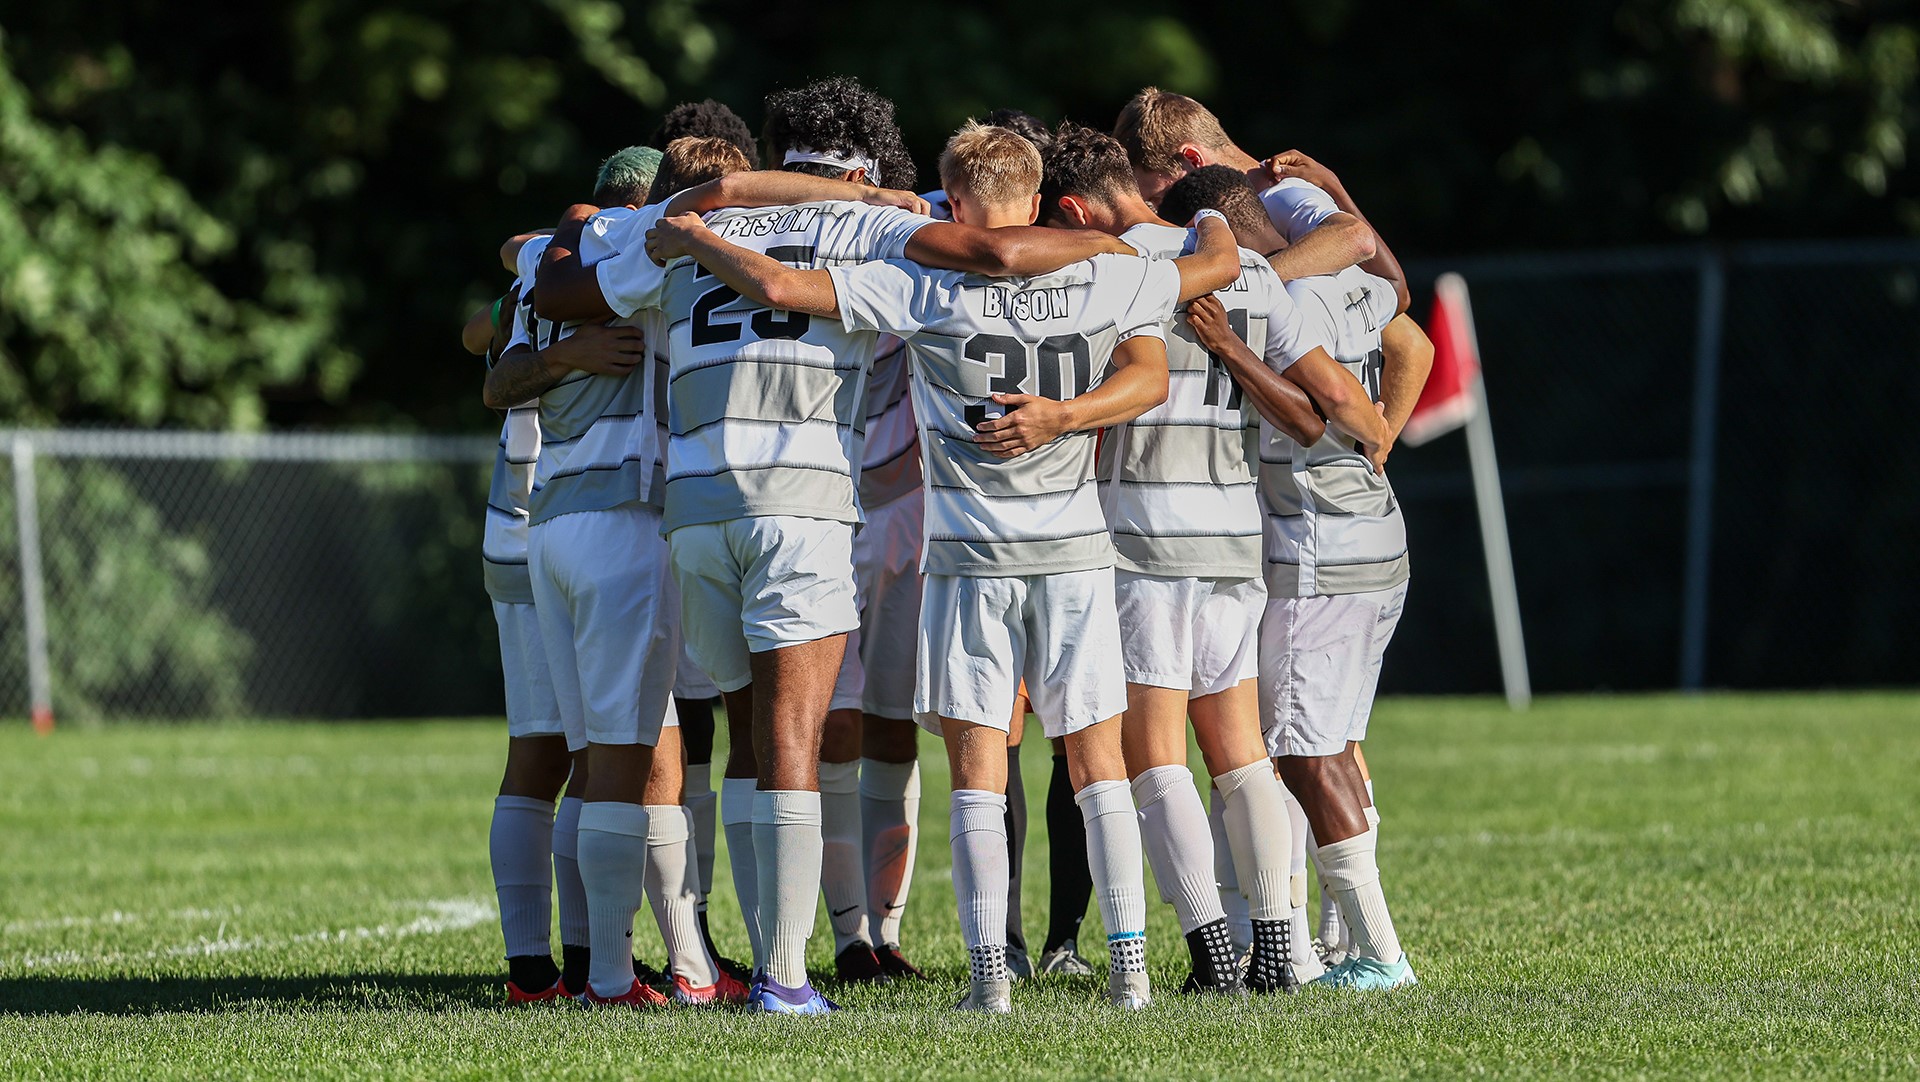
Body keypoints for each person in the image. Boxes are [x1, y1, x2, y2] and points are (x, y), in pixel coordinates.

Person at [531, 77, 1139, 1015]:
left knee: (735, 736)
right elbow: (993, 250)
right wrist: (1120, 248)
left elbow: (554, 279)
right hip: (803, 504)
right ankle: (785, 975)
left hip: (693, 508)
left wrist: (640, 225)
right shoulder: (863, 221)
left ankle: (686, 966)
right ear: (861, 163)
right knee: (790, 745)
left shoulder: (686, 218)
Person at [645, 119, 1243, 1013]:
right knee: (1097, 765)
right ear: (1038, 203)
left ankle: (989, 981)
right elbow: (1198, 297)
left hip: (969, 559)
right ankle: (1131, 973)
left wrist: (690, 232)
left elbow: (771, 283)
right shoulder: (1105, 267)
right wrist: (1213, 221)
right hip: (1076, 553)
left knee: (978, 773)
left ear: (952, 203)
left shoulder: (921, 281)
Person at [1037, 127, 1343, 994]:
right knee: (1241, 752)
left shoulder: (1099, 268)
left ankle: (1212, 944)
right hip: (1234, 537)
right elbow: (1316, 418)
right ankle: (1278, 947)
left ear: (1070, 209)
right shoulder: (1241, 265)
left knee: (1156, 754)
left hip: (1143, 537)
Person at [482, 141, 768, 1009]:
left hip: (550, 523)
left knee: (591, 753)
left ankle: (589, 967)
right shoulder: (638, 257)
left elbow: (495, 351)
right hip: (623, 523)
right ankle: (615, 977)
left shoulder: (543, 259)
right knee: (625, 758)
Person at [1163, 166, 1429, 991]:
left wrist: (1232, 347)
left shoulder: (1282, 300)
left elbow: (1321, 411)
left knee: (1301, 758)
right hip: (1375, 535)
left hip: (1321, 547)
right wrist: (1386, 441)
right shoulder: (1349, 279)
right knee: (1332, 748)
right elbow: (1411, 334)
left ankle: (1380, 956)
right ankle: (1341, 943)